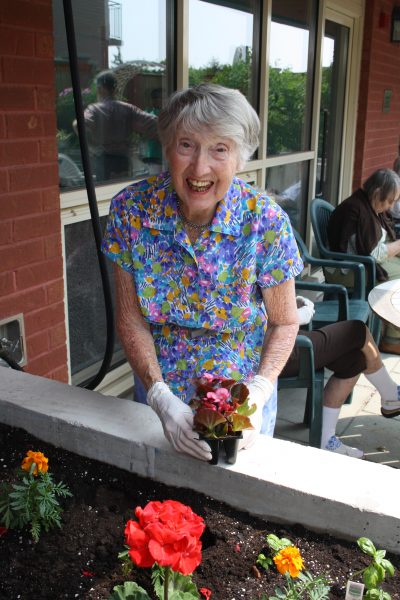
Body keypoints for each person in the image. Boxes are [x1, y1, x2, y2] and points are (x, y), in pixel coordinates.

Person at [101, 83, 303, 461]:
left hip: (242, 404)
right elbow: (130, 317)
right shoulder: (131, 211)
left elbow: (284, 322)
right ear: (167, 148)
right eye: (186, 145)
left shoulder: (265, 221)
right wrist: (160, 397)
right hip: (159, 394)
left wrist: (258, 393)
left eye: (219, 149)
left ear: (241, 157)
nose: (199, 167)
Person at [286, 296, 400, 458]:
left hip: (277, 340)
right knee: (357, 330)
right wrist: (305, 310)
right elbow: (281, 316)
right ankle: (390, 394)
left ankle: (326, 439)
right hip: (279, 349)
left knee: (355, 360)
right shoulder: (270, 271)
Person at [327, 168, 400, 354]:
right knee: (397, 281)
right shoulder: (355, 209)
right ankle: (391, 339)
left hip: (362, 263)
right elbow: (372, 254)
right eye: (389, 201)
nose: (391, 207)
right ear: (377, 193)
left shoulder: (369, 206)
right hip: (347, 269)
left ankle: (391, 330)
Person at [75, 70, 159, 183]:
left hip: (104, 160)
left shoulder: (94, 109)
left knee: (103, 193)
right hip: (123, 160)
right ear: (115, 89)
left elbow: (77, 125)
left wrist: (91, 146)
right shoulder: (128, 109)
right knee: (123, 192)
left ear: (100, 89)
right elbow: (155, 123)